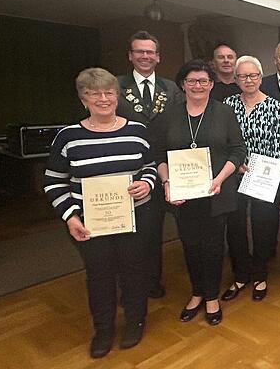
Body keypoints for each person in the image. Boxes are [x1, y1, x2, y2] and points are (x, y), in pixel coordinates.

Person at [44, 68, 159, 358]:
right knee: (99, 276)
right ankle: (104, 329)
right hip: (89, 224)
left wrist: (146, 183)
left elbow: (150, 165)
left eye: (109, 93)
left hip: (134, 218)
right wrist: (71, 217)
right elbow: (54, 181)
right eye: (95, 94)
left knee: (135, 271)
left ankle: (135, 321)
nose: (103, 99)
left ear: (117, 97)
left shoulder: (137, 131)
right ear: (84, 99)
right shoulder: (68, 137)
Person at [149, 59, 246, 327]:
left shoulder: (224, 113)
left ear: (212, 84)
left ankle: (212, 296)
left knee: (214, 246)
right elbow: (158, 155)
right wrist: (167, 183)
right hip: (183, 194)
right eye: (192, 80)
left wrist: (219, 179)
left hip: (216, 191)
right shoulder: (169, 116)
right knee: (190, 245)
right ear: (183, 84)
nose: (198, 85)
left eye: (204, 81)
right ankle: (197, 292)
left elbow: (237, 150)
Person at [116, 30, 183, 299]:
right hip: (130, 171)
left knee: (155, 231)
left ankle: (152, 282)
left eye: (150, 52)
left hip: (167, 167)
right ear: (130, 56)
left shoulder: (173, 88)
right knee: (130, 233)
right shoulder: (116, 87)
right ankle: (130, 286)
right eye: (139, 52)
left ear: (158, 57)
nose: (145, 56)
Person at [222, 55, 280, 302]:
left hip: (264, 177)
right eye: (243, 76)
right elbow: (222, 142)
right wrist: (237, 166)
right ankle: (240, 274)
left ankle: (260, 274)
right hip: (233, 175)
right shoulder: (227, 105)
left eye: (253, 75)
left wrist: (262, 169)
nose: (248, 80)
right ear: (236, 79)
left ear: (260, 78)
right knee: (235, 227)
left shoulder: (273, 105)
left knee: (263, 226)